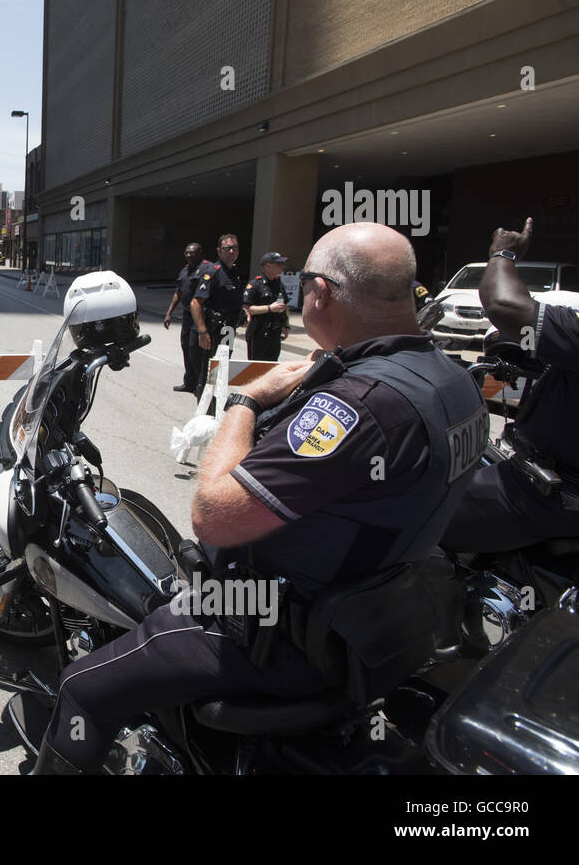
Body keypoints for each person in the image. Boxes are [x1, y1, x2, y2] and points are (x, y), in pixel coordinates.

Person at [34, 222, 486, 773]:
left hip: (274, 633)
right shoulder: (451, 380)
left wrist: (244, 404)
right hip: (381, 622)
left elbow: (213, 517)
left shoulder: (357, 405)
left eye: (302, 286)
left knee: (83, 687)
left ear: (319, 292)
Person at [442, 217, 579, 549]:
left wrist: (504, 252)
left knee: (422, 512)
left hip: (548, 493)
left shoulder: (569, 336)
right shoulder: (539, 370)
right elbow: (500, 383)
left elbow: (503, 305)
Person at [189, 234, 245, 399]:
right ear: (219, 251)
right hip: (213, 332)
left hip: (228, 331)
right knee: (208, 375)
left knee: (222, 371)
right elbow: (196, 303)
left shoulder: (233, 272)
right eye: (228, 248)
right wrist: (202, 332)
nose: (232, 251)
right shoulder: (213, 272)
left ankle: (217, 407)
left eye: (235, 248)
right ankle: (204, 414)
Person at [163, 242, 205, 392]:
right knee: (186, 347)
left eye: (192, 252)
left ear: (199, 253)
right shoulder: (184, 271)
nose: (188, 255)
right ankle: (189, 383)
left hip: (200, 316)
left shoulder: (206, 270)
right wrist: (169, 313)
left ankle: (201, 384)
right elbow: (178, 293)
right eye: (187, 252)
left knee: (195, 350)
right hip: (187, 315)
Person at [243, 252, 291, 361]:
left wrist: (286, 326)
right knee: (256, 368)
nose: (282, 267)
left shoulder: (279, 284)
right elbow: (248, 309)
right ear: (267, 266)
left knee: (271, 367)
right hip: (258, 333)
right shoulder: (256, 284)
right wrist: (269, 308)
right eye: (279, 264)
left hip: (274, 333)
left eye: (282, 264)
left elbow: (285, 307)